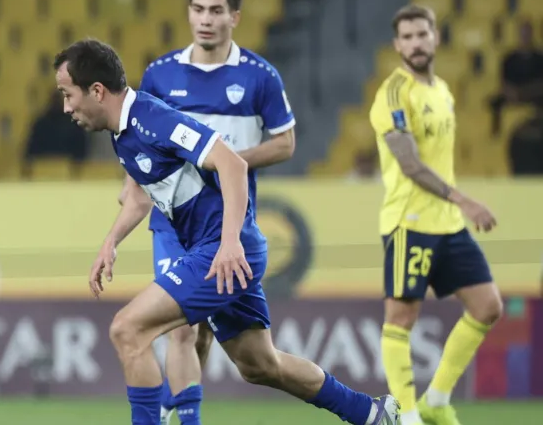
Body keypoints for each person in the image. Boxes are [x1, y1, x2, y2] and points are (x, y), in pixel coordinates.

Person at [56, 39, 399, 425]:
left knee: (128, 329)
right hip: (218, 251)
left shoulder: (152, 119)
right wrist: (110, 242)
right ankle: (370, 413)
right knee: (261, 364)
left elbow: (232, 164)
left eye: (68, 95)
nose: (67, 107)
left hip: (221, 250)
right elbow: (139, 199)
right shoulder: (122, 133)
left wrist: (229, 242)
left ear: (97, 91)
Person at [129, 0, 296, 425]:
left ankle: (170, 409)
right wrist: (131, 193)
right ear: (188, 12)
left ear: (234, 16)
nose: (205, 19)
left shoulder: (260, 77)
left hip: (229, 222)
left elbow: (286, 142)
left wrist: (226, 159)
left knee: (212, 339)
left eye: (216, 11)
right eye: (198, 9)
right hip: (173, 221)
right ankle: (184, 419)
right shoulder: (161, 75)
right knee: (183, 329)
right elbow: (139, 137)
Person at [369, 5, 503, 425]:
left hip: (448, 225)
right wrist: (463, 200)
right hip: (410, 222)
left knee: (488, 306)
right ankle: (408, 416)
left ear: (436, 37)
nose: (415, 43)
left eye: (421, 34)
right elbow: (409, 164)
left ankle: (437, 400)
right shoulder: (393, 93)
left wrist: (455, 207)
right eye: (406, 37)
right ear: (397, 45)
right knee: (402, 317)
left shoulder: (442, 89)